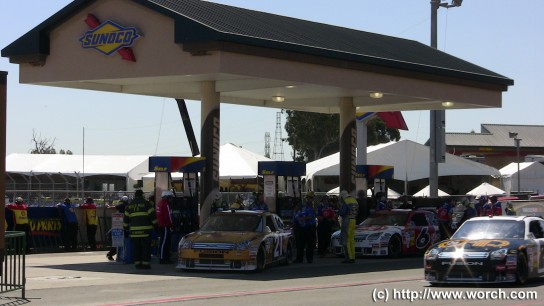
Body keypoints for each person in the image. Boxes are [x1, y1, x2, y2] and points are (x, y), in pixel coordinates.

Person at [124, 190, 157, 269]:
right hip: (146, 232)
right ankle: (146, 264)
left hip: (134, 233)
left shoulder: (130, 205)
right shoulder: (147, 204)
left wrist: (125, 229)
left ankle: (137, 264)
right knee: (146, 249)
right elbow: (153, 217)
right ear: (142, 195)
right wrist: (156, 226)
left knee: (136, 249)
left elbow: (126, 220)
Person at [293, 192, 316, 263]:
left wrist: (303, 219)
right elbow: (295, 215)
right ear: (307, 198)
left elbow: (311, 216)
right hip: (302, 228)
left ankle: (309, 259)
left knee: (310, 244)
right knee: (300, 244)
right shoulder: (301, 206)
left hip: (310, 227)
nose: (311, 199)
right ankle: (299, 258)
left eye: (312, 198)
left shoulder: (311, 206)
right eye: (310, 198)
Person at [338, 190, 358, 264]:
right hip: (354, 220)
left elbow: (342, 213)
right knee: (352, 239)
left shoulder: (345, 201)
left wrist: (339, 210)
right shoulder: (355, 201)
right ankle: (353, 256)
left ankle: (348, 257)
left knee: (346, 239)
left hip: (347, 221)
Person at [106, 196, 129, 261]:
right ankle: (111, 254)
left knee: (118, 241)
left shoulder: (121, 206)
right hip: (126, 225)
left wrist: (108, 206)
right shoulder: (129, 206)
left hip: (120, 225)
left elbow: (114, 207)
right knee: (121, 242)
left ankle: (111, 254)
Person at [156, 191, 174, 264]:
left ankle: (164, 257)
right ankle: (163, 258)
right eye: (170, 197)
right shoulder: (165, 204)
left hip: (161, 225)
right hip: (165, 226)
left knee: (163, 242)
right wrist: (171, 224)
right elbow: (168, 216)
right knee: (164, 242)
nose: (170, 199)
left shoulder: (159, 203)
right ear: (166, 197)